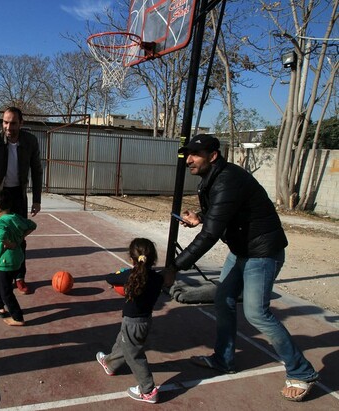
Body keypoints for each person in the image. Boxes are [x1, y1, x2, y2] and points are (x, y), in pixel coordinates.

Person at [161, 134, 319, 402]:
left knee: (257, 313)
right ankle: (223, 359)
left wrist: (175, 267)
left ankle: (302, 372)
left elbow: (210, 235)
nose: (188, 159)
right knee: (223, 300)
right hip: (241, 250)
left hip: (262, 252)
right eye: (187, 154)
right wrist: (199, 217)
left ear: (213, 156)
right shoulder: (212, 178)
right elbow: (218, 212)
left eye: (195, 154)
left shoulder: (228, 179)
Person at [0, 107, 42, 295]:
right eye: (5, 122)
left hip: (18, 195)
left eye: (12, 123)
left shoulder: (30, 141)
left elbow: (36, 170)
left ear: (21, 123)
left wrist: (37, 199)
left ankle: (19, 276)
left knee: (19, 237)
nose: (8, 126)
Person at [96, 238, 164, 404]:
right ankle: (110, 364)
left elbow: (109, 278)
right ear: (153, 259)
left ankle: (148, 390)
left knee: (134, 355)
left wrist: (121, 273)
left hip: (132, 323)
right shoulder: (158, 278)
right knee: (123, 342)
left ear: (132, 259)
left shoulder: (129, 276)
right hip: (145, 321)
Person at [0, 190, 37, 326]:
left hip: (6, 262)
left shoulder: (0, 223)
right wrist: (20, 238)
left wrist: (9, 244)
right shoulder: (16, 218)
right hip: (15, 259)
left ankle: (18, 317)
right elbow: (32, 225)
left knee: (6, 291)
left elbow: (1, 237)